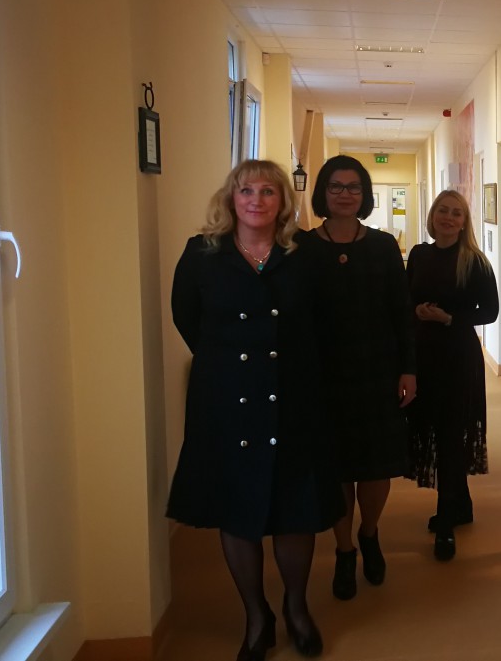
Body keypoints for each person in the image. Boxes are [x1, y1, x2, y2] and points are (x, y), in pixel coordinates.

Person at [167, 159, 341, 661]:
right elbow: (187, 319)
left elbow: (327, 324)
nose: (256, 200)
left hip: (294, 396)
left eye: (268, 191)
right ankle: (255, 615)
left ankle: (296, 606)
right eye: (247, 190)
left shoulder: (307, 254)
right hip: (227, 399)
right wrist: (229, 360)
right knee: (236, 508)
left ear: (283, 201)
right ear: (231, 198)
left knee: (295, 511)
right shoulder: (202, 253)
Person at [300, 155, 416, 601]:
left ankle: (369, 532)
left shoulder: (383, 246)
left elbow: (401, 312)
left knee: (374, 466)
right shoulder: (302, 248)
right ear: (323, 193)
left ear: (364, 194)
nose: (345, 194)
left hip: (377, 370)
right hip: (323, 376)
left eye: (353, 187)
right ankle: (345, 550)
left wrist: (408, 368)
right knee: (336, 468)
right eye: (336, 186)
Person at [406, 189, 499, 561]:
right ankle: (461, 505)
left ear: (464, 222)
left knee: (450, 434)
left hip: (457, 357)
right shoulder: (419, 254)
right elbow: (404, 298)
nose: (448, 217)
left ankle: (446, 521)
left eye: (456, 213)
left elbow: (489, 311)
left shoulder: (474, 261)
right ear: (432, 216)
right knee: (435, 428)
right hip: (423, 355)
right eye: (442, 211)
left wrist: (448, 318)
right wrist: (416, 311)